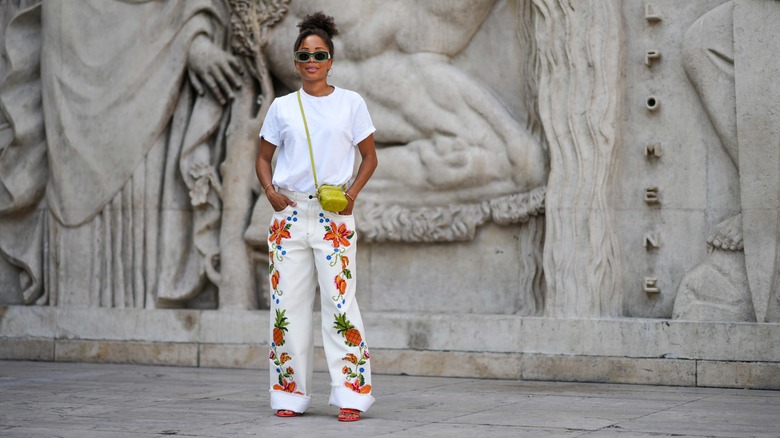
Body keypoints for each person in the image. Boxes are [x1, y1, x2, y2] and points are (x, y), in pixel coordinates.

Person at [255, 11, 378, 422]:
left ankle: (352, 394)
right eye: (304, 55)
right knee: (286, 308)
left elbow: (369, 157)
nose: (312, 61)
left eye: (319, 54)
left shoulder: (351, 103)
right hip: (289, 214)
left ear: (331, 60)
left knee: (340, 305)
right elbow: (263, 157)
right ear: (295, 61)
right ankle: (288, 394)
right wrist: (270, 191)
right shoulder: (282, 107)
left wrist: (352, 194)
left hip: (333, 217)